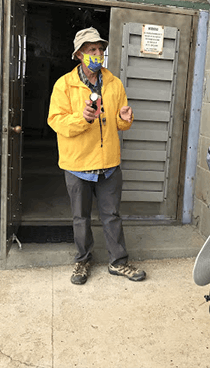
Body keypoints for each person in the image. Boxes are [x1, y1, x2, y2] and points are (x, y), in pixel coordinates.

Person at [47, 27, 147, 285]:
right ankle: (82, 261)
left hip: (108, 164)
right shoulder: (64, 85)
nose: (98, 54)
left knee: (112, 215)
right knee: (80, 218)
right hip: (77, 164)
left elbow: (119, 121)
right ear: (79, 54)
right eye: (92, 50)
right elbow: (56, 121)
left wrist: (125, 120)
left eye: (100, 49)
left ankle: (118, 262)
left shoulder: (113, 83)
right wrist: (82, 119)